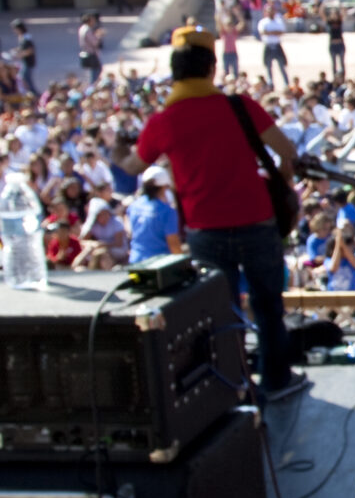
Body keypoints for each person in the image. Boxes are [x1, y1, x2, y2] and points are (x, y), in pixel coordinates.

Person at [123, 30, 307, 404]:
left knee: (222, 312)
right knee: (268, 305)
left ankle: (235, 386)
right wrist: (283, 180)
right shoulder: (240, 107)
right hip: (257, 221)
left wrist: (116, 148)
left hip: (205, 231)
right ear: (211, 68)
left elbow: (133, 166)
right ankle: (277, 379)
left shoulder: (163, 121)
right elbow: (287, 151)